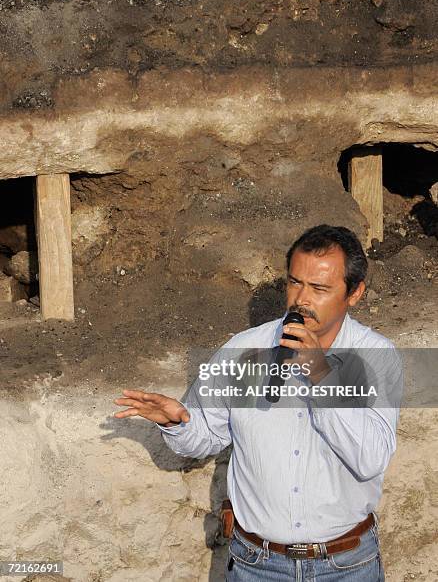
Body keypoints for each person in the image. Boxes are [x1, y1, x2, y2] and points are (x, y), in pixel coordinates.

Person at [114, 224, 402, 581]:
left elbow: (370, 458)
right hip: (256, 566)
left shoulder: (377, 357)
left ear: (354, 293)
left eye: (320, 288)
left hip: (346, 566)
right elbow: (203, 437)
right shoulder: (243, 350)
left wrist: (321, 374)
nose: (302, 300)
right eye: (295, 282)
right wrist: (176, 421)